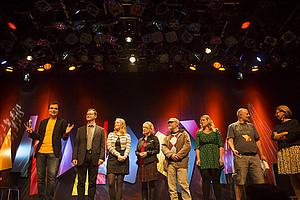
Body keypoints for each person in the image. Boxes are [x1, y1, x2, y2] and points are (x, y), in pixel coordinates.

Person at [24, 101, 74, 200]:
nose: (53, 110)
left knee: (51, 178)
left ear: (58, 111)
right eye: (51, 108)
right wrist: (31, 133)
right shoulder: (43, 122)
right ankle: (41, 198)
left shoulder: (62, 122)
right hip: (41, 153)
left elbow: (63, 137)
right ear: (48, 110)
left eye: (55, 108)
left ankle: (49, 198)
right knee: (40, 178)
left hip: (53, 153)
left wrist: (67, 133)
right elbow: (39, 137)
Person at [227, 108, 267, 200]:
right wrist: (233, 150)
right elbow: (230, 140)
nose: (249, 115)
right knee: (240, 181)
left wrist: (262, 154)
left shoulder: (251, 126)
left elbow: (257, 140)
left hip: (254, 156)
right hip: (241, 157)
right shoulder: (232, 126)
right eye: (247, 114)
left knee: (260, 181)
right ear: (240, 115)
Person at [72, 108, 105, 200]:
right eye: (87, 114)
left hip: (94, 157)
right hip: (82, 157)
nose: (88, 115)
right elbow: (76, 145)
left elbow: (102, 145)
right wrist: (74, 157)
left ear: (95, 116)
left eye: (90, 114)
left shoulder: (100, 130)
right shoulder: (80, 130)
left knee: (92, 181)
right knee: (81, 181)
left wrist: (101, 157)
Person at [271, 105, 300, 199]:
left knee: (298, 173)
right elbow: (273, 137)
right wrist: (284, 134)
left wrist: (280, 135)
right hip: (284, 151)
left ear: (283, 112)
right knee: (292, 177)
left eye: (277, 112)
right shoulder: (277, 126)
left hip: (294, 150)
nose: (276, 115)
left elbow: (293, 135)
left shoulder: (293, 122)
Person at [161, 118, 192, 200]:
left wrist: (178, 156)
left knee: (183, 184)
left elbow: (187, 145)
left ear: (177, 124)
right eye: (169, 123)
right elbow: (163, 146)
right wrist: (170, 155)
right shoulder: (167, 136)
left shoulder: (184, 134)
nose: (169, 124)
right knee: (171, 186)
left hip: (181, 162)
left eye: (171, 122)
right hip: (170, 163)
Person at [195, 115, 224, 200]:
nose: (202, 122)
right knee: (206, 181)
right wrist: (198, 159)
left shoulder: (216, 131)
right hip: (204, 157)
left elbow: (221, 145)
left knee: (216, 181)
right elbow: (197, 147)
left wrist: (220, 158)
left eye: (203, 120)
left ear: (208, 121)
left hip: (215, 156)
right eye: (201, 120)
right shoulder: (199, 133)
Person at [107, 118, 131, 200]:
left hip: (123, 160)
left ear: (122, 124)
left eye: (118, 122)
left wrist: (124, 157)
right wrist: (118, 155)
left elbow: (128, 148)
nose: (116, 124)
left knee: (120, 183)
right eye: (115, 122)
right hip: (113, 158)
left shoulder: (127, 136)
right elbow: (109, 147)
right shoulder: (111, 134)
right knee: (110, 183)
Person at [135, 121, 160, 200]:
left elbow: (157, 150)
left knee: (151, 184)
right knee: (143, 184)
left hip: (150, 162)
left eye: (146, 127)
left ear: (150, 129)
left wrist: (147, 153)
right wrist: (139, 154)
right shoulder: (140, 140)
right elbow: (136, 151)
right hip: (141, 163)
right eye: (143, 127)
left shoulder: (154, 139)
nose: (144, 129)